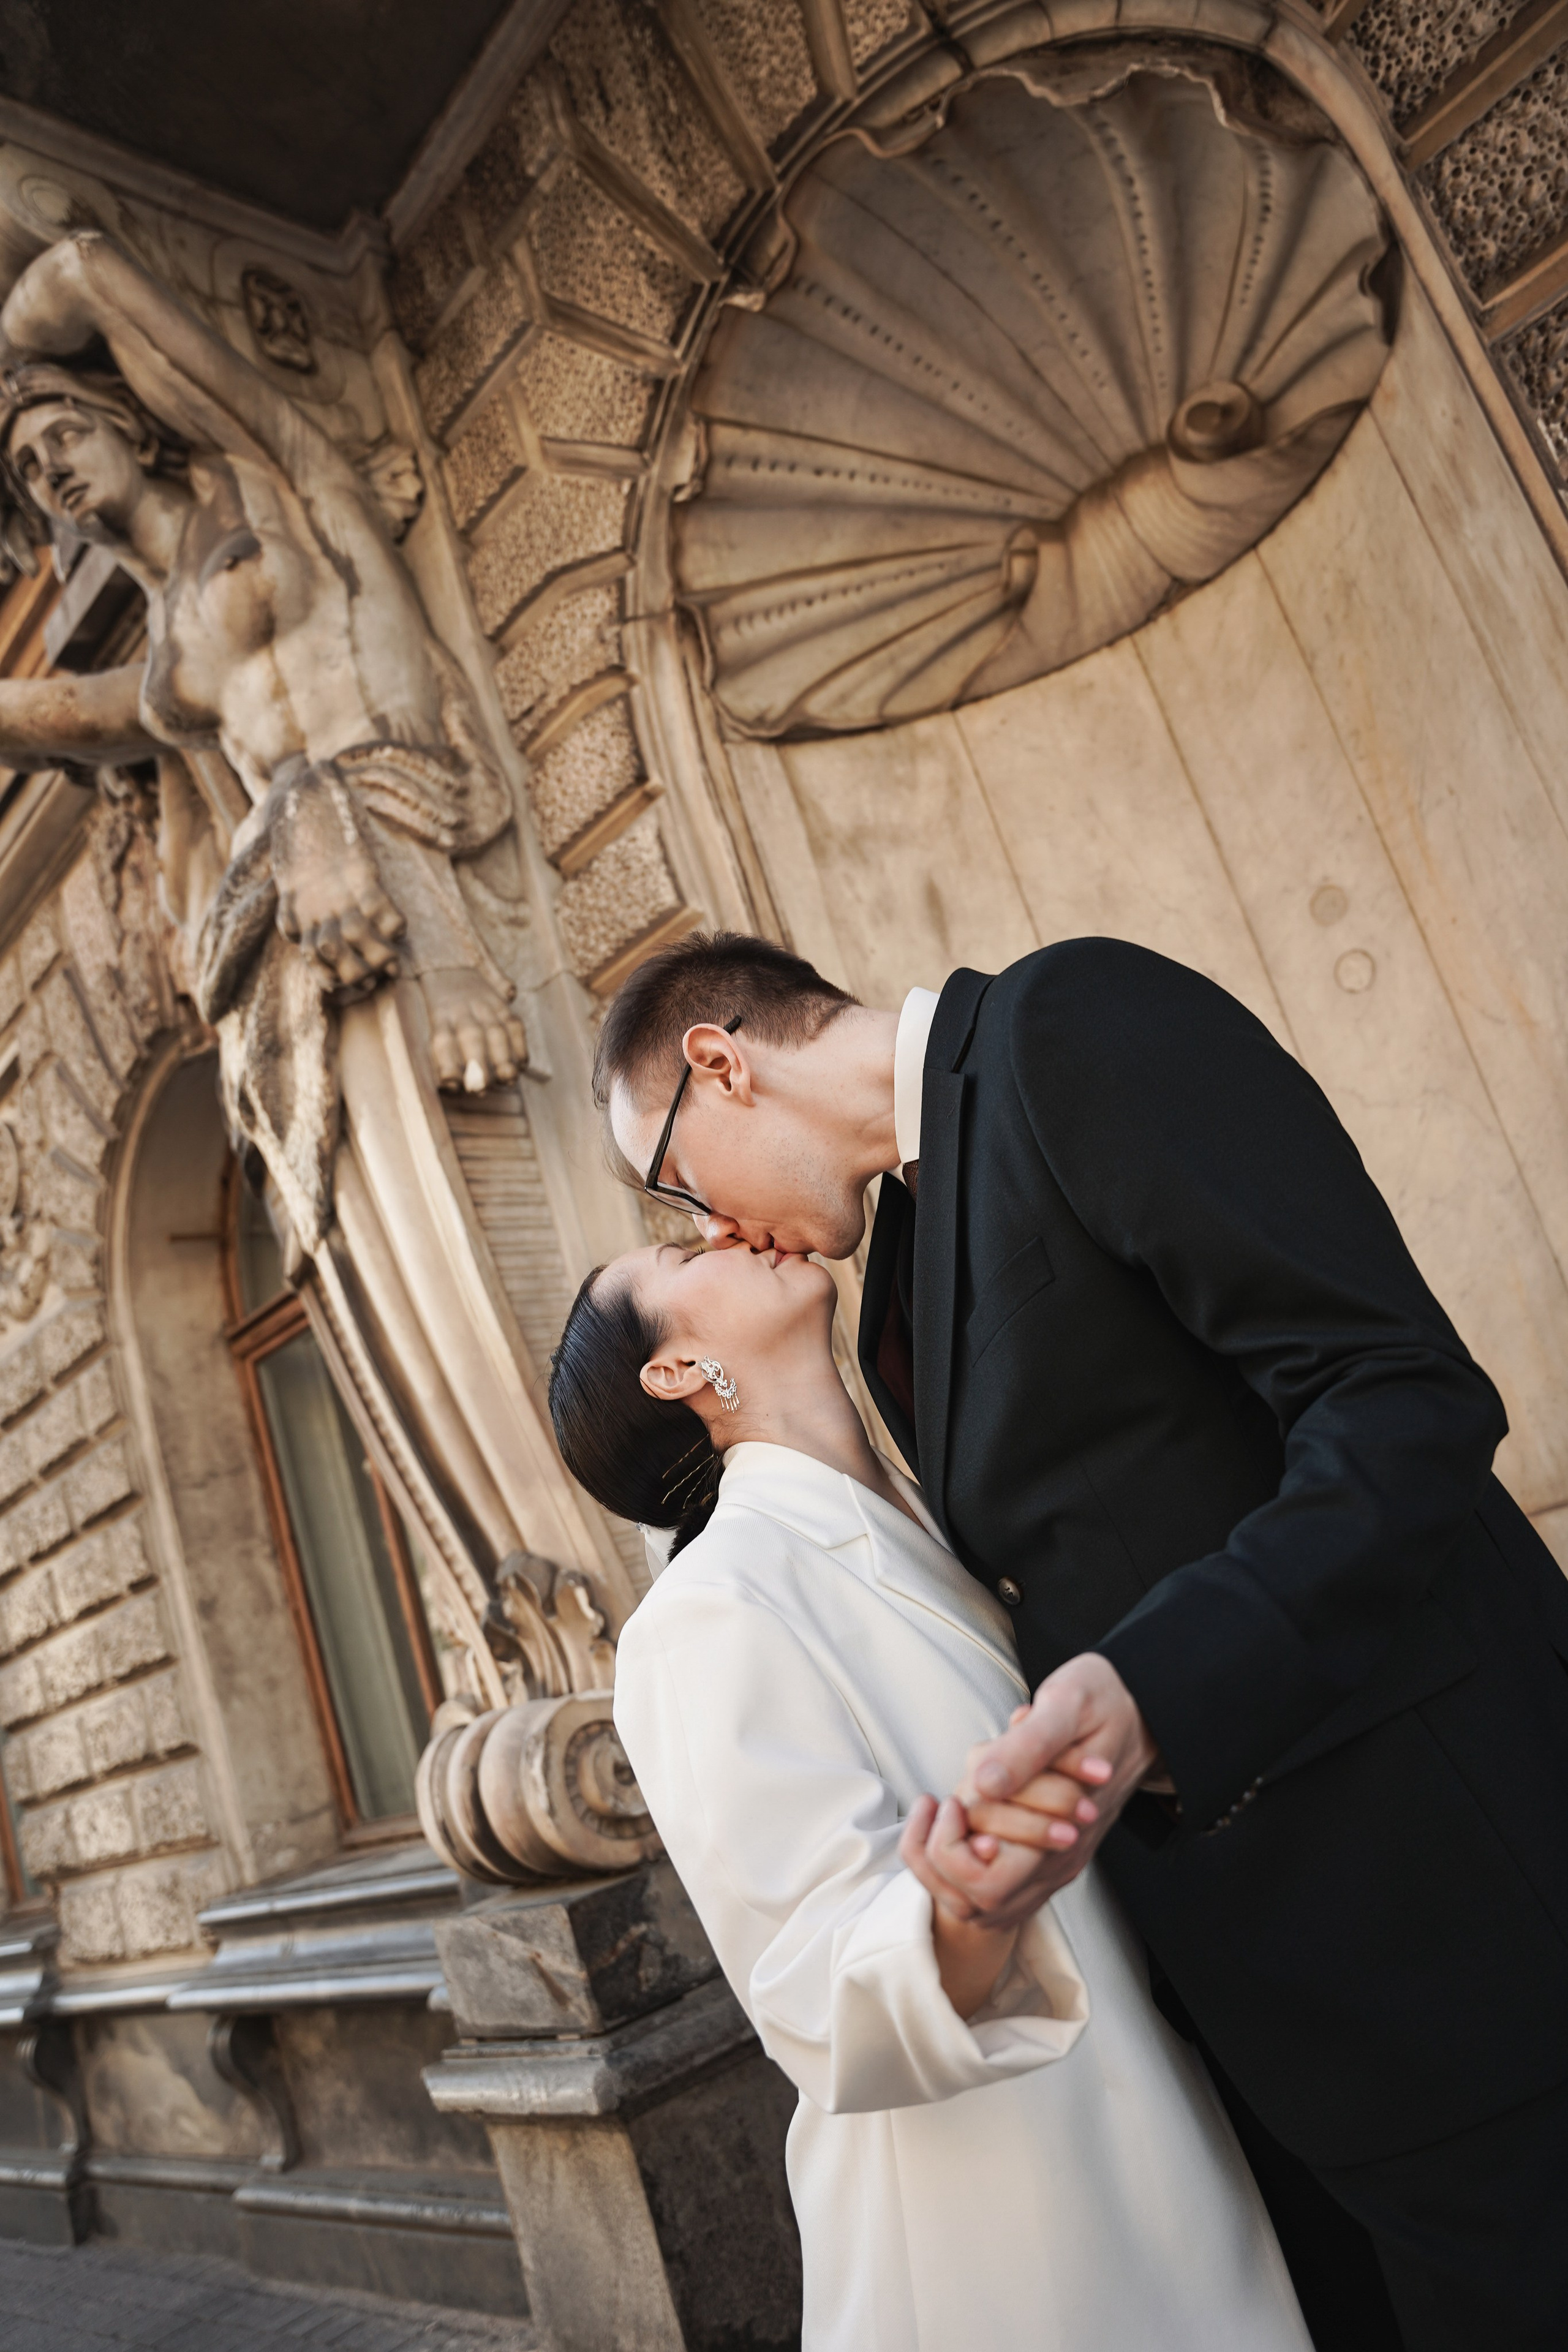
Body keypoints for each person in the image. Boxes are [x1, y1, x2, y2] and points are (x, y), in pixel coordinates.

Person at [591, 930, 1568, 2352]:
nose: (718, 1225)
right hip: (1281, 2026)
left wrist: (1154, 1688)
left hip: (1447, 1922)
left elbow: (1394, 1393)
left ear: (720, 1062)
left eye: (677, 1184)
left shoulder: (1071, 1023)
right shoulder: (897, 1290)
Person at [549, 1235, 1313, 2350]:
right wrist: (964, 1910)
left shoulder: (946, 1497)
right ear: (672, 1371)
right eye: (679, 1249)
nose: (727, 1229)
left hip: (1182, 2100)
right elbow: (813, 1983)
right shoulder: (703, 1615)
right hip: (1010, 2217)